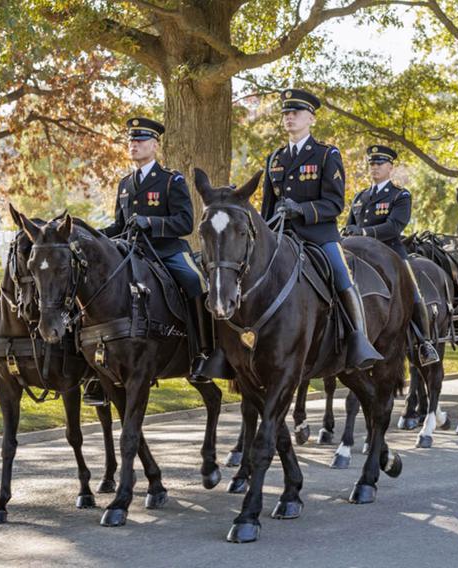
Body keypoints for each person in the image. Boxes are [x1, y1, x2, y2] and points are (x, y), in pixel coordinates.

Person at [85, 117, 231, 405]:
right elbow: (119, 225)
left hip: (166, 252)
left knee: (194, 281)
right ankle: (96, 369)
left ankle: (203, 353)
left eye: (139, 142)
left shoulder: (171, 179)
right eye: (131, 141)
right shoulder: (125, 183)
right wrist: (95, 237)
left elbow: (185, 222)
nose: (134, 146)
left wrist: (150, 222)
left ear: (154, 145)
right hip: (131, 252)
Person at [260, 89, 382, 370]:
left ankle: (359, 340)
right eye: (286, 114)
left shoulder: (327, 154)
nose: (289, 118)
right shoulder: (275, 159)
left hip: (318, 236)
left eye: (296, 113)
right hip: (281, 236)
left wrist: (301, 209)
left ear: (311, 118)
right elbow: (268, 206)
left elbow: (334, 203)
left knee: (341, 275)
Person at [344, 144, 440, 366]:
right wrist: (350, 233)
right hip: (360, 254)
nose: (374, 168)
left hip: (391, 252)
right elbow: (351, 225)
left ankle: (424, 342)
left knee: (414, 291)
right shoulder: (360, 197)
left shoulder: (400, 195)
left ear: (390, 167)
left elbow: (394, 226)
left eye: (379, 164)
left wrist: (365, 232)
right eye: (372, 164)